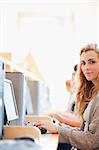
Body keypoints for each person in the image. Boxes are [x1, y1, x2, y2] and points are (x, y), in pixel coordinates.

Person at [34, 43, 99, 150]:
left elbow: (91, 141)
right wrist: (57, 127)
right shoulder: (93, 95)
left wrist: (58, 128)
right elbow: (84, 132)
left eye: (92, 62)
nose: (86, 67)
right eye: (83, 63)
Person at [49, 64, 82, 128]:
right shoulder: (77, 95)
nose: (72, 79)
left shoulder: (86, 96)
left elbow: (81, 122)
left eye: (74, 75)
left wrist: (62, 119)